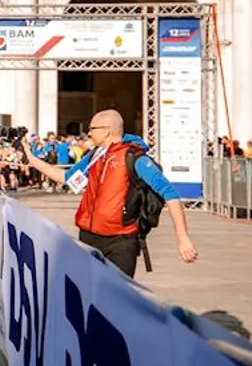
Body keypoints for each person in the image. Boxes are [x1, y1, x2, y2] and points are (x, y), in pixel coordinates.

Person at [20, 109, 198, 277]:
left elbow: (170, 194)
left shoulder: (135, 158)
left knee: (117, 298)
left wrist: (183, 239)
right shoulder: (95, 155)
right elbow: (65, 178)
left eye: (92, 128)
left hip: (120, 241)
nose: (88, 133)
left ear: (106, 131)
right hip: (88, 237)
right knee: (88, 295)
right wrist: (31, 158)